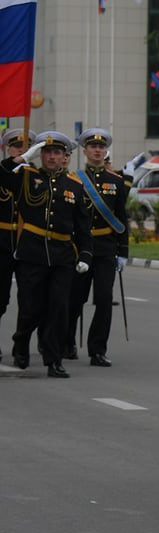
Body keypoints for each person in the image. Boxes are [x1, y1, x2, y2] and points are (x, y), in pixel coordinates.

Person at [0, 131, 93, 377]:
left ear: (64, 157)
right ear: (40, 155)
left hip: (62, 255)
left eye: (57, 153)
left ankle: (53, 360)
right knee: (32, 307)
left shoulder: (74, 185)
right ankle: (21, 341)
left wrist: (85, 255)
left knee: (58, 307)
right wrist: (19, 160)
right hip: (32, 254)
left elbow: (83, 226)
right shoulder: (26, 177)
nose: (52, 157)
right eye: (47, 152)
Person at [64, 128, 129, 367]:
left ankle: (97, 350)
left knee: (103, 299)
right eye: (93, 147)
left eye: (101, 147)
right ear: (86, 150)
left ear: (105, 151)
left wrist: (123, 251)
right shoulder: (73, 180)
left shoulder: (116, 181)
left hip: (105, 249)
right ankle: (67, 342)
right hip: (79, 249)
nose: (98, 151)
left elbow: (122, 218)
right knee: (74, 299)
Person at [0, 129, 36, 364]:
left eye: (26, 147)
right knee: (0, 301)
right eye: (16, 147)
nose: (21, 151)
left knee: (30, 302)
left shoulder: (36, 177)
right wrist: (14, 163)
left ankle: (20, 346)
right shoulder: (2, 172)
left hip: (28, 245)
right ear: (7, 150)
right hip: (1, 243)